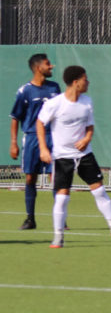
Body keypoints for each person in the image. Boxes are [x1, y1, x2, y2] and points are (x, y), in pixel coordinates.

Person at [35, 65, 111, 249]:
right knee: (62, 197)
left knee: (99, 191)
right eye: (85, 79)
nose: (88, 82)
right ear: (75, 82)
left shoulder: (87, 101)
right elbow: (40, 123)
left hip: (85, 155)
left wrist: (87, 138)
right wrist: (43, 149)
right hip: (62, 157)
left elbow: (90, 126)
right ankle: (58, 236)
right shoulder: (55, 104)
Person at [9, 53, 60, 230]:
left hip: (53, 137)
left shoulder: (55, 87)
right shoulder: (25, 91)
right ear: (39, 68)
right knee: (30, 177)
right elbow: (15, 117)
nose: (51, 66)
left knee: (56, 177)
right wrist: (14, 143)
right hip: (31, 137)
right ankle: (30, 219)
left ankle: (59, 219)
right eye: (48, 64)